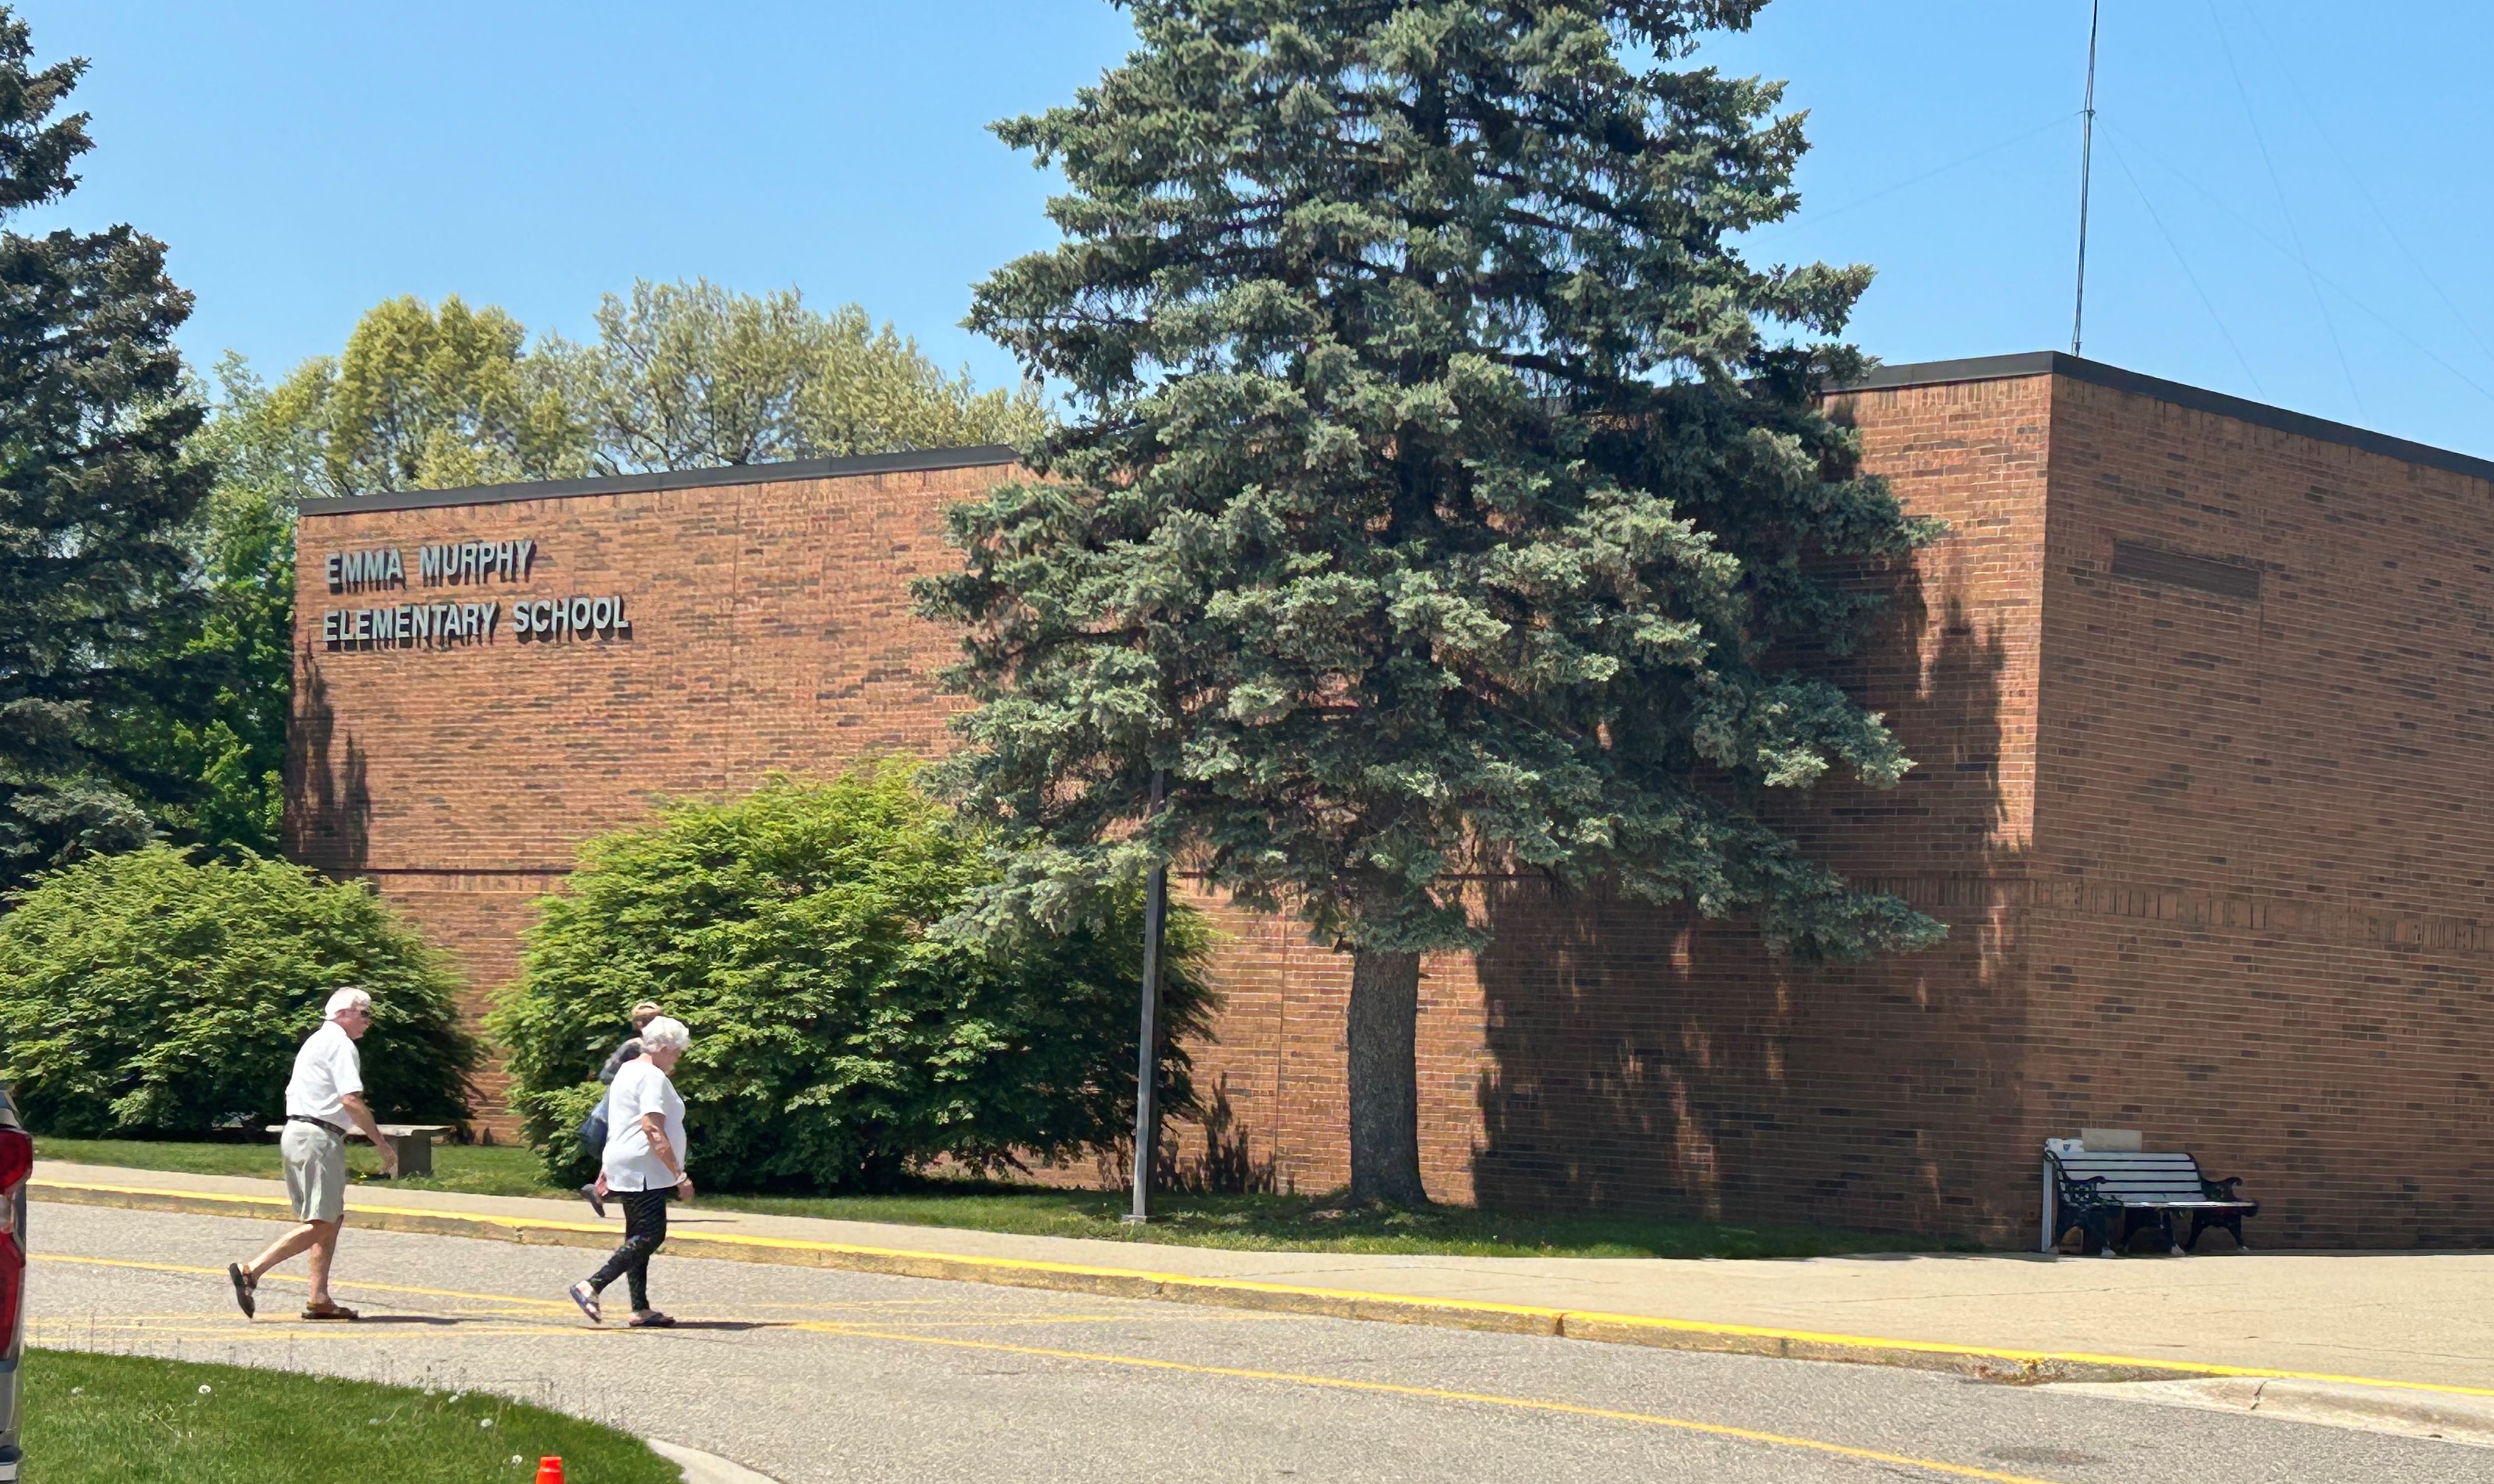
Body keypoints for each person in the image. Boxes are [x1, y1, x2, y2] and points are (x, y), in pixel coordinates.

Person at [227, 988, 397, 1320]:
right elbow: (351, 1100)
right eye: (364, 1014)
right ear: (344, 1013)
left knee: (328, 1219)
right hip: (318, 1137)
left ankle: (319, 1299)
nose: (368, 1021)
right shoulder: (341, 1044)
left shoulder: (319, 1040)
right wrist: (381, 1143)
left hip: (302, 1134)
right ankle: (251, 1271)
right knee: (322, 1223)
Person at [568, 1015, 692, 1328]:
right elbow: (652, 1128)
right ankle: (592, 1285)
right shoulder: (651, 1076)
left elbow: (619, 1121)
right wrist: (680, 1176)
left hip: (627, 1162)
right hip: (644, 1168)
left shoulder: (627, 1069)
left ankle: (640, 1308)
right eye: (676, 1051)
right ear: (663, 1047)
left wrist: (607, 1166)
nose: (678, 1058)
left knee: (637, 1236)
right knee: (652, 1234)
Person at [580, 1001, 665, 1218]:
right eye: (646, 1020)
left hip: (644, 1106)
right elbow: (605, 1075)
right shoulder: (634, 1047)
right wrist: (630, 1080)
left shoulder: (661, 1048)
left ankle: (602, 1191)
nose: (650, 1024)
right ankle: (606, 1191)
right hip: (623, 1108)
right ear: (638, 1023)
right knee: (631, 1149)